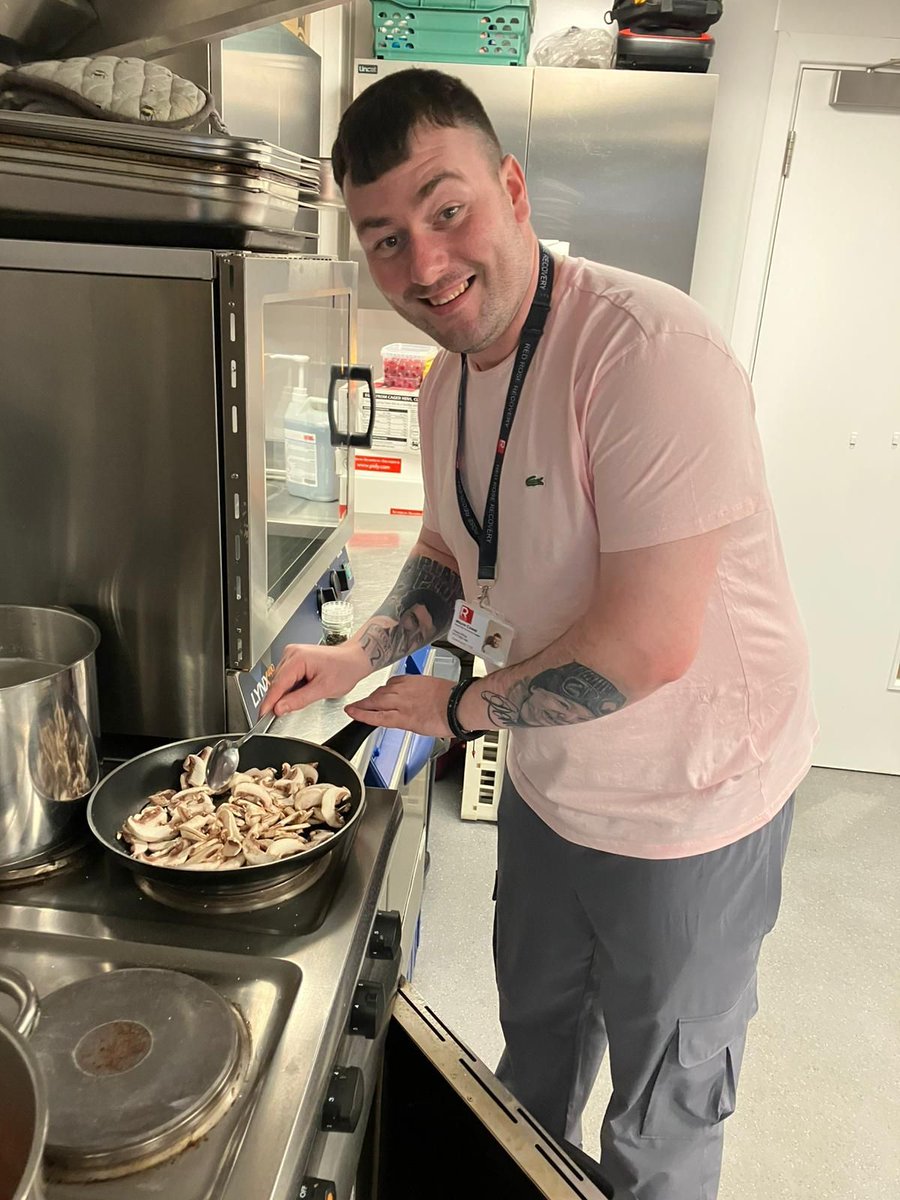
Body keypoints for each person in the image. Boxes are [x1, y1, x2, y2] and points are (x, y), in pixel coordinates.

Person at [261, 69, 816, 1200]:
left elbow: (646, 647)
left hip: (695, 799)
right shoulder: (449, 381)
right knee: (535, 1057)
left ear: (512, 188)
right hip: (556, 780)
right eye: (384, 239)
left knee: (661, 1111)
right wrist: (361, 654)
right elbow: (446, 551)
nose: (423, 264)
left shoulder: (648, 356)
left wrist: (456, 708)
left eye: (447, 209)